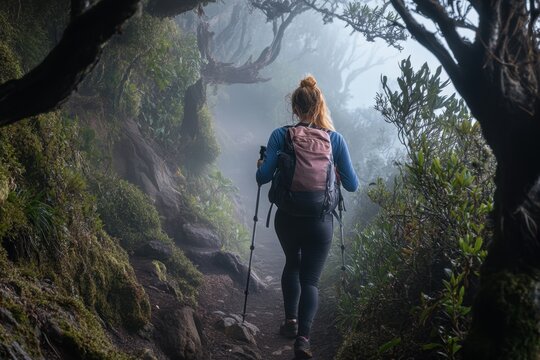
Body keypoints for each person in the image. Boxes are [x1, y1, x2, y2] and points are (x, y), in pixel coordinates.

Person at [256, 75, 359, 359]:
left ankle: (290, 321)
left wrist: (262, 164)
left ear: (295, 108)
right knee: (310, 280)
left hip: (287, 217)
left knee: (292, 263)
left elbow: (262, 178)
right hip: (320, 221)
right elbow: (352, 185)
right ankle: (303, 340)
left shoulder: (281, 135)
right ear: (319, 106)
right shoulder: (335, 140)